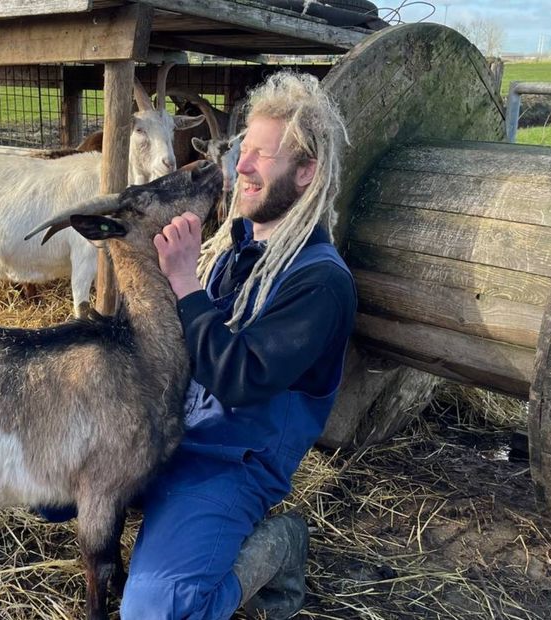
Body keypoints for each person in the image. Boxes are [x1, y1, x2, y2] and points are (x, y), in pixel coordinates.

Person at [119, 70, 358, 619]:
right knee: (49, 493)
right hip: (172, 426)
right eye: (242, 150)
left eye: (261, 156)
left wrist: (183, 284)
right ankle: (159, 522)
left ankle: (275, 549)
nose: (241, 165)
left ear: (305, 172)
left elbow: (240, 377)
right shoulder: (233, 244)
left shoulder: (319, 282)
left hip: (229, 459)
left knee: (159, 613)